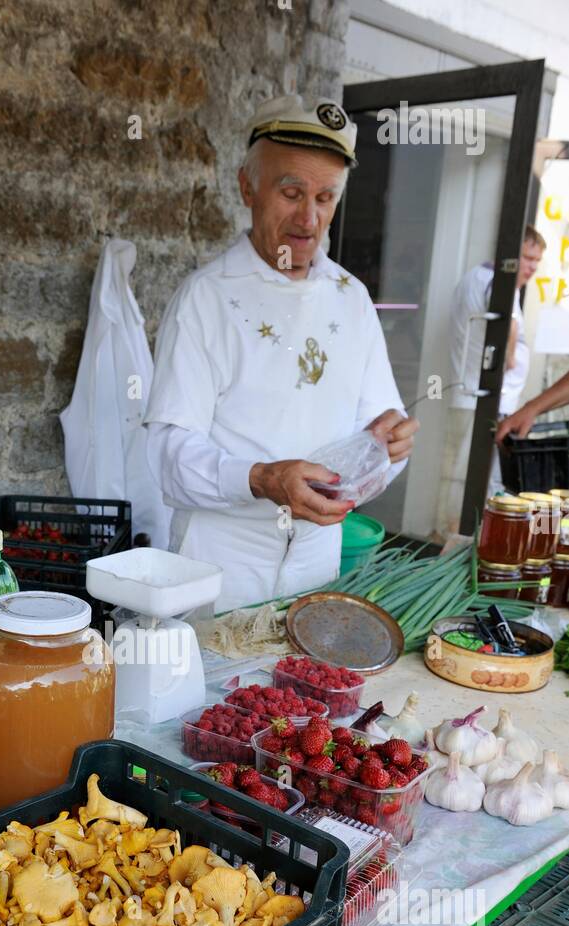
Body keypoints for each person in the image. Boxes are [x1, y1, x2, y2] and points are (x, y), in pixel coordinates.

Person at [143, 94, 418, 614]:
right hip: (219, 566)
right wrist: (264, 479)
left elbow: (377, 434)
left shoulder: (351, 298)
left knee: (307, 694)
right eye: (291, 192)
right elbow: (168, 458)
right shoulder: (206, 298)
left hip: (317, 563)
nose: (309, 218)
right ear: (247, 186)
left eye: (326, 197)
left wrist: (389, 444)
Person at [447, 228, 545, 504]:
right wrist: (510, 359)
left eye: (537, 261)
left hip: (472, 393)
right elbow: (509, 324)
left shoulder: (476, 277)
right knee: (479, 479)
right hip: (489, 398)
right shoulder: (499, 282)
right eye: (527, 258)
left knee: (464, 472)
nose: (532, 267)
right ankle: (461, 535)